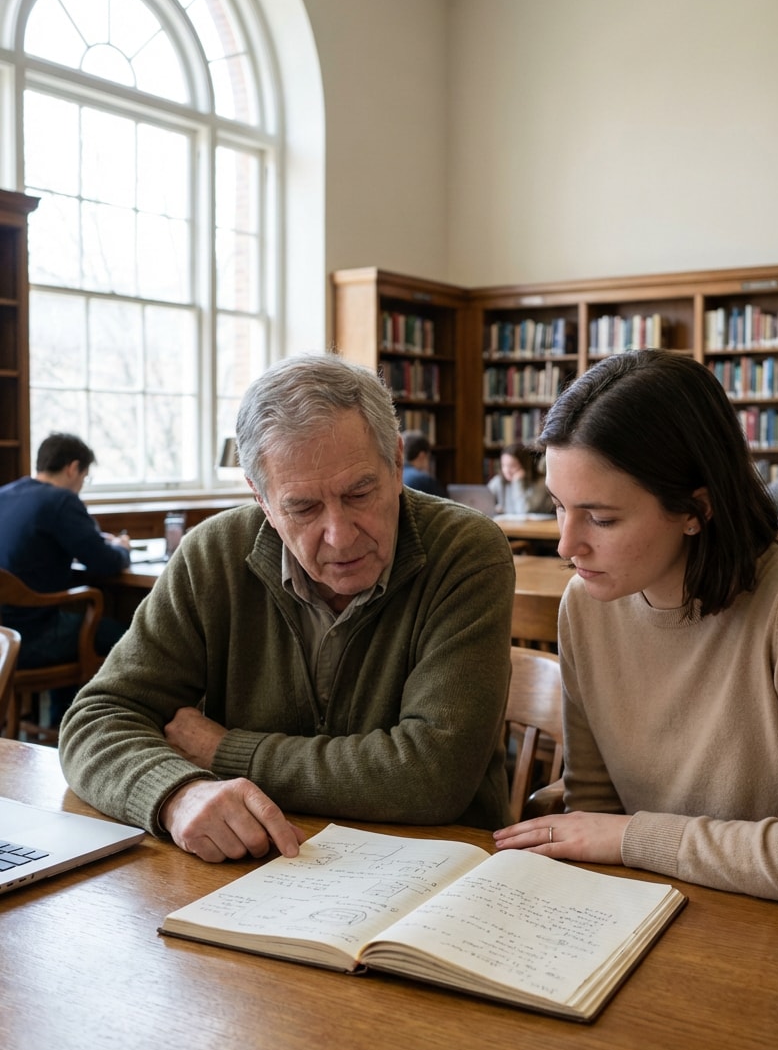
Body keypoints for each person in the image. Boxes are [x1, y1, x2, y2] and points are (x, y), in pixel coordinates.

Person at [493, 351, 778, 915]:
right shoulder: (587, 605)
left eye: (602, 518)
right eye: (558, 506)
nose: (566, 546)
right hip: (670, 913)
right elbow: (594, 811)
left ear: (696, 509)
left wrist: (632, 839)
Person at [59, 354, 515, 863]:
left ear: (396, 461)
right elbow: (96, 720)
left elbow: (433, 775)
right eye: (303, 508)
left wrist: (224, 751)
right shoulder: (212, 554)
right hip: (254, 865)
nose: (340, 536)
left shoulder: (466, 550)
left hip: (440, 867)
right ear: (261, 499)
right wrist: (176, 794)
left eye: (359, 492)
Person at [0, 432, 131, 725]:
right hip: (32, 639)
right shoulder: (61, 501)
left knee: (71, 620)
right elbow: (106, 562)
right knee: (130, 637)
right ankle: (93, 728)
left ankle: (58, 723)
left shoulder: (5, 494)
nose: (81, 484)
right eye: (84, 476)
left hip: (3, 636)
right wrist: (122, 548)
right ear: (73, 468)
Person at [487, 442, 553, 515]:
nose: (507, 470)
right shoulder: (498, 481)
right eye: (504, 465)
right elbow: (483, 501)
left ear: (525, 465)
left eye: (512, 466)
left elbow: (523, 510)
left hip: (534, 522)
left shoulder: (541, 482)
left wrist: (517, 482)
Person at [401, 429, 446, 497]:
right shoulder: (423, 479)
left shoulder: (395, 475)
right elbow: (446, 502)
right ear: (422, 456)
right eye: (429, 457)